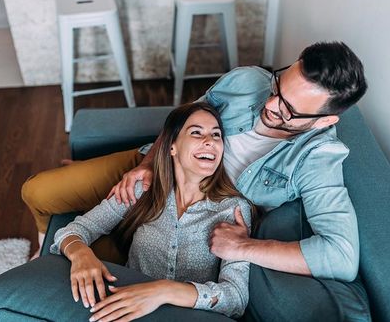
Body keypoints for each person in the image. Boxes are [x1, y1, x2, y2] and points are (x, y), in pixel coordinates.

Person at [23, 41, 370, 321]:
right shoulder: (248, 81)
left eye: (289, 110)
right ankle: (43, 239)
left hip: (205, 203)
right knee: (38, 191)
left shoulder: (319, 158)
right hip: (155, 168)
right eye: (279, 86)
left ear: (324, 121)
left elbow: (341, 256)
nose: (272, 103)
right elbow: (187, 120)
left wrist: (241, 247)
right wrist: (146, 165)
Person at [50, 102, 252, 321]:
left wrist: (164, 291)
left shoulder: (234, 210)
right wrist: (81, 254)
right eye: (196, 132)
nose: (209, 141)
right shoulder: (142, 190)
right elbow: (75, 230)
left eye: (216, 135)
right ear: (171, 146)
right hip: (125, 312)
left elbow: (236, 298)